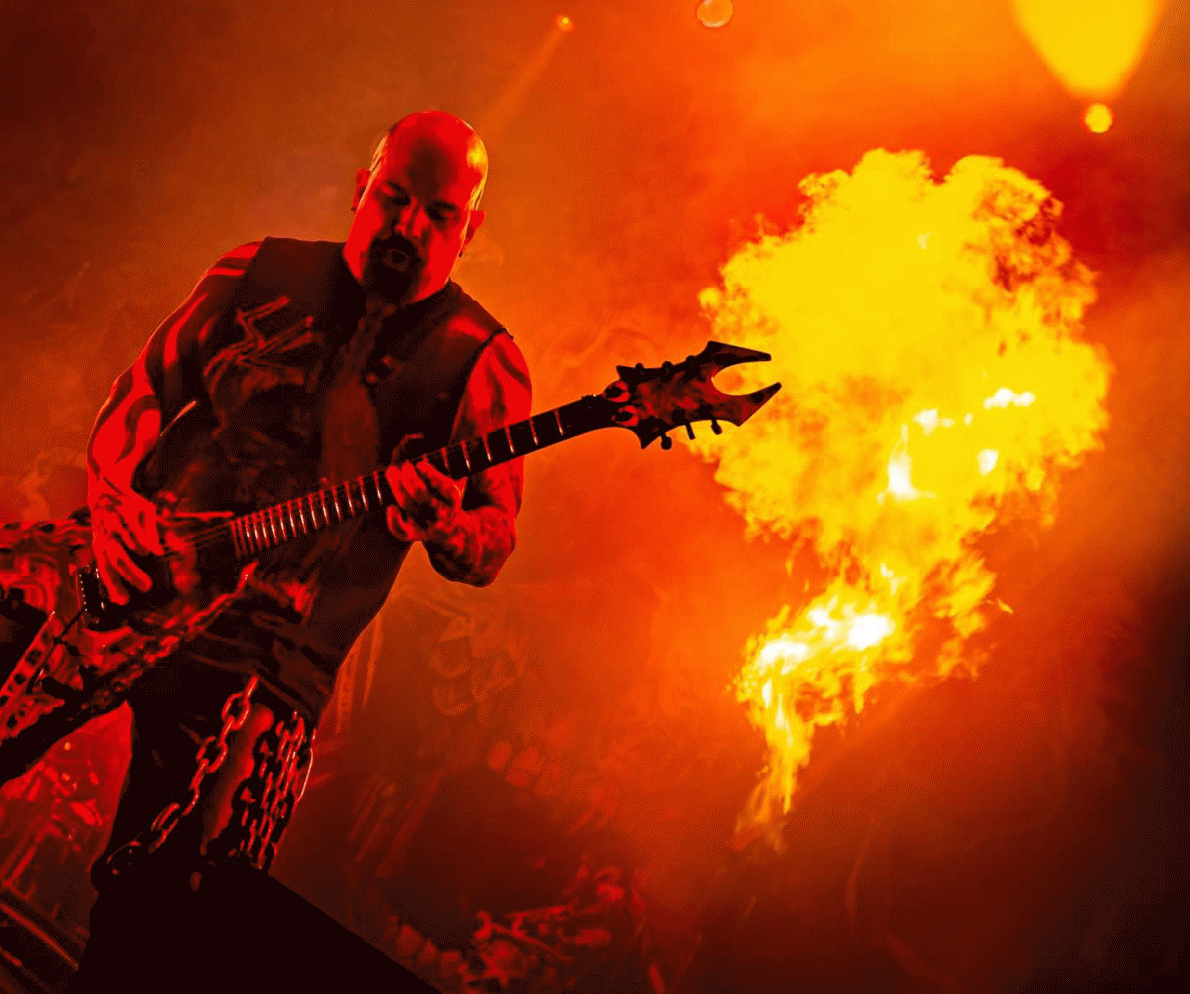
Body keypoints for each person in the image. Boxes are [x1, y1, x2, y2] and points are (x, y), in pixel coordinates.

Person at [67, 109, 532, 991]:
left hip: (265, 670)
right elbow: (143, 389)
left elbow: (492, 541)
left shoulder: (484, 362)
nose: (407, 227)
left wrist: (443, 522)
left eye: (438, 213)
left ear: (469, 229)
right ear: (363, 188)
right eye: (394, 198)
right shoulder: (257, 270)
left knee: (165, 915)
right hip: (124, 578)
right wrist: (113, 503)